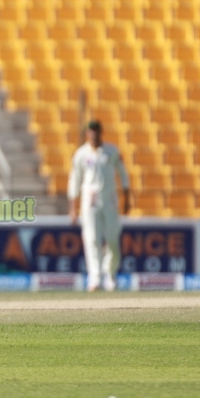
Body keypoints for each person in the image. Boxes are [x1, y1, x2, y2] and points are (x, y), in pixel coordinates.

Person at [68, 120, 131, 292]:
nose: (93, 134)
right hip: (89, 201)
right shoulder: (81, 154)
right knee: (91, 239)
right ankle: (94, 277)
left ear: (101, 132)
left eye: (96, 130)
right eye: (90, 131)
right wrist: (73, 207)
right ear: (87, 133)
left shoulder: (111, 151)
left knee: (112, 238)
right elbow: (75, 180)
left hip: (109, 200)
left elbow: (123, 174)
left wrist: (127, 198)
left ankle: (110, 275)